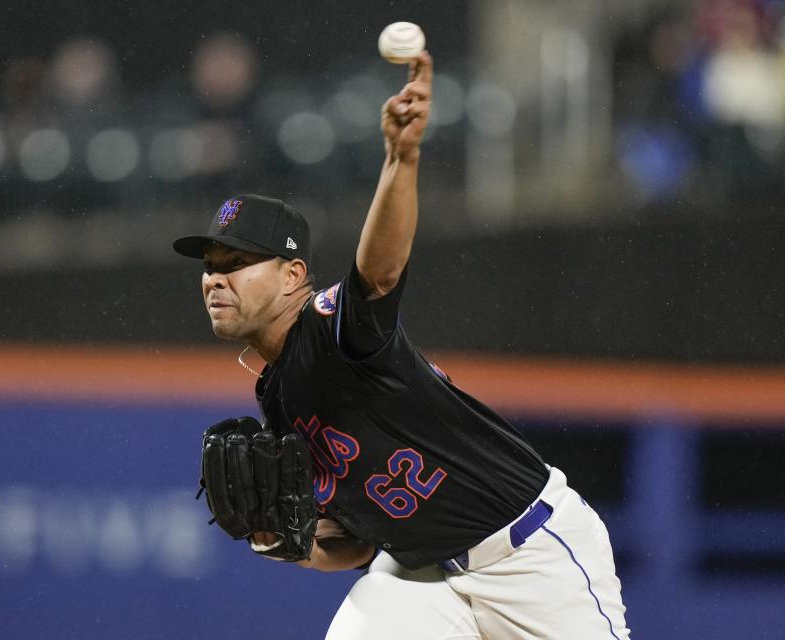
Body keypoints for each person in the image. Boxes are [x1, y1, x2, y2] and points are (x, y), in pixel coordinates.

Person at [173, 51, 630, 640]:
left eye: (235, 262)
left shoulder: (334, 329)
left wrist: (401, 158)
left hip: (529, 556)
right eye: (210, 265)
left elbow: (381, 272)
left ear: (292, 275)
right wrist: (292, 542)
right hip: (422, 575)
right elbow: (358, 543)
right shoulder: (279, 394)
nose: (214, 277)